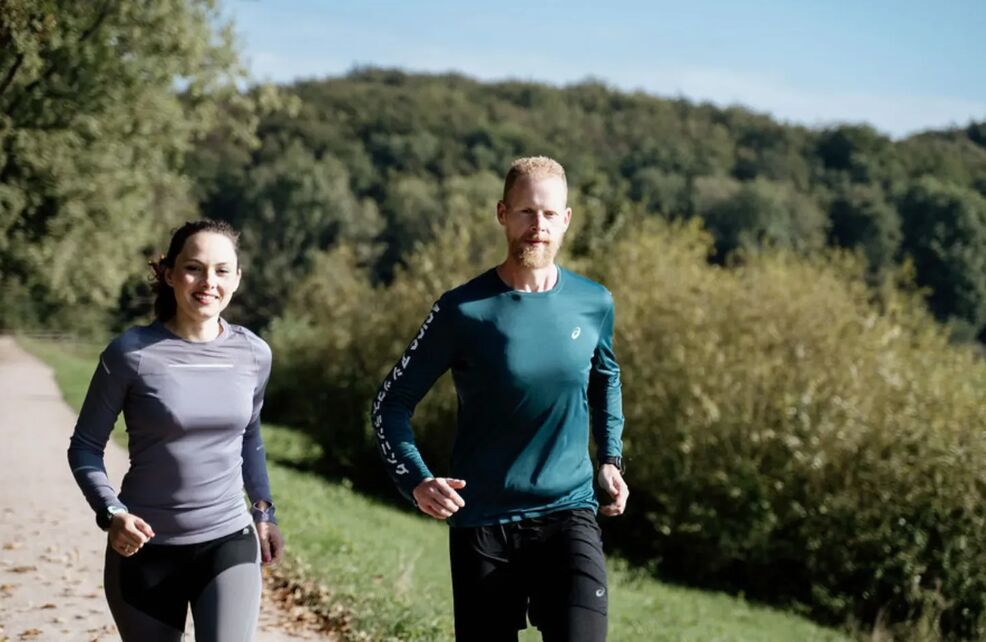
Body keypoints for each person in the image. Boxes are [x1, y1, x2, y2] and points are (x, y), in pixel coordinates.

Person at [373, 156, 628, 641]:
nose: (538, 226)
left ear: (567, 219)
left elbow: (606, 377)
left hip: (568, 511)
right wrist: (417, 481)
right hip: (484, 522)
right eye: (526, 212)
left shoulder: (594, 302)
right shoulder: (463, 310)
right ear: (502, 214)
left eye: (550, 214)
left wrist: (610, 457)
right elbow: (390, 403)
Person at [68, 219, 284, 641]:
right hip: (144, 548)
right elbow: (85, 447)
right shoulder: (129, 354)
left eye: (222, 270)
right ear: (169, 274)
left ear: (237, 279)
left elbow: (249, 438)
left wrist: (264, 513)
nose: (208, 282)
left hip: (228, 539)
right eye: (194, 268)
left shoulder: (254, 354)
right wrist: (112, 514)